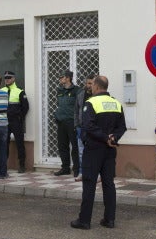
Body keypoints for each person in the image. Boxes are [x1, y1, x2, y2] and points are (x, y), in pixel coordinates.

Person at [71, 75, 127, 230]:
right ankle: (109, 220)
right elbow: (122, 127)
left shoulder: (91, 102)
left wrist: (103, 137)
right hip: (110, 150)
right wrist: (112, 138)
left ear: (96, 86)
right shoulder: (116, 103)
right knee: (109, 184)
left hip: (94, 149)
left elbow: (88, 126)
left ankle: (84, 221)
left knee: (89, 184)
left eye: (92, 85)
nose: (91, 87)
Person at [54, 70, 81, 177]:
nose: (60, 79)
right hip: (61, 122)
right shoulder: (59, 90)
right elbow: (59, 105)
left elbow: (78, 106)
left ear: (68, 78)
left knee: (75, 146)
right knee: (62, 146)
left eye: (62, 77)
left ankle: (76, 169)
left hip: (72, 122)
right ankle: (65, 168)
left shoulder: (77, 90)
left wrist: (77, 122)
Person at [2, 71, 29, 173]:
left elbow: (25, 107)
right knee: (4, 143)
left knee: (19, 143)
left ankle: (22, 165)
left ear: (13, 79)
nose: (7, 79)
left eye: (9, 78)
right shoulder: (2, 91)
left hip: (15, 121)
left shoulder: (19, 91)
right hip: (4, 121)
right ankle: (3, 165)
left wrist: (19, 118)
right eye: (5, 78)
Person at [74, 74, 95, 181]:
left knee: (94, 151)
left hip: (94, 128)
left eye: (91, 83)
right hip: (81, 128)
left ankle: (96, 173)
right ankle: (82, 172)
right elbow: (76, 111)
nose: (88, 85)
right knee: (81, 151)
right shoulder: (81, 95)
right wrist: (77, 125)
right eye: (87, 83)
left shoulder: (98, 96)